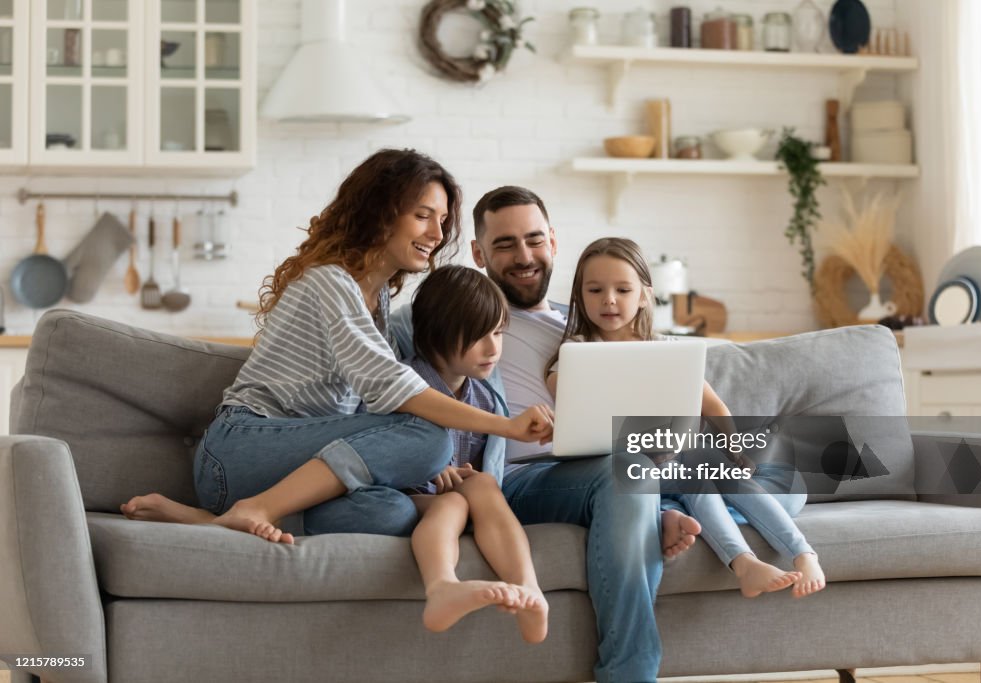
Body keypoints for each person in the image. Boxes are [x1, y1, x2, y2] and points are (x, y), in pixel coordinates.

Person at [120, 149, 553, 546]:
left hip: (296, 467)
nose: (437, 234)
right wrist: (509, 427)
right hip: (242, 450)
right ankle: (255, 509)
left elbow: (377, 407)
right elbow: (397, 389)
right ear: (381, 214)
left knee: (393, 512)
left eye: (441, 220)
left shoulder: (378, 299)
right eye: (424, 215)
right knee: (431, 439)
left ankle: (211, 521)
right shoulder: (331, 282)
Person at [391, 187, 700, 683]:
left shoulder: (586, 320)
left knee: (761, 476)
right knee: (629, 474)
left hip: (597, 464)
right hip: (513, 479)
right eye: (506, 244)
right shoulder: (457, 316)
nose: (524, 256)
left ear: (553, 241)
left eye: (535, 240)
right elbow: (385, 367)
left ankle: (665, 509)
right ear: (478, 253)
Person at [544, 236, 826, 600]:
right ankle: (743, 561)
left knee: (713, 474)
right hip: (620, 471)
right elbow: (564, 398)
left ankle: (801, 555)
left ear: (644, 294)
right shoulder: (578, 353)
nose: (609, 299)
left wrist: (734, 449)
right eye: (595, 290)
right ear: (580, 296)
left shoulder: (666, 349)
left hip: (675, 462)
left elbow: (714, 407)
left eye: (622, 289)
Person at [403, 265, 548, 642]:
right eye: (478, 336)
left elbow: (483, 469)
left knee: (482, 486)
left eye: (498, 332)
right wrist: (430, 469)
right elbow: (381, 452)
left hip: (463, 497)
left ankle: (530, 590)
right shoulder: (405, 385)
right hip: (408, 495)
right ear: (437, 335)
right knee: (454, 505)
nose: (493, 347)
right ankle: (443, 586)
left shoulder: (484, 396)